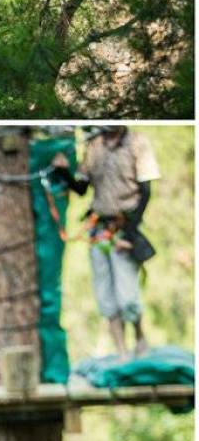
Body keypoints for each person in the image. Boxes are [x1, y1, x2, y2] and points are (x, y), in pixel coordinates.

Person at [49, 127, 159, 356]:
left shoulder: (137, 142)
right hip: (98, 229)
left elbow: (146, 191)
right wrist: (64, 172)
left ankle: (140, 338)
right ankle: (121, 351)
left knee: (128, 296)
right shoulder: (94, 144)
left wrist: (130, 230)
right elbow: (81, 188)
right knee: (105, 295)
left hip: (124, 226)